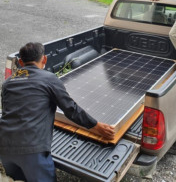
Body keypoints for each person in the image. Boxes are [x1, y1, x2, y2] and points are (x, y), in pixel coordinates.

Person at [0, 42, 115, 182]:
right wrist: (96, 126)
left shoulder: (8, 83)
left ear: (20, 61)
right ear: (44, 59)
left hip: (4, 147)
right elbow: (71, 109)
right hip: (31, 150)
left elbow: (8, 112)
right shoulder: (48, 79)